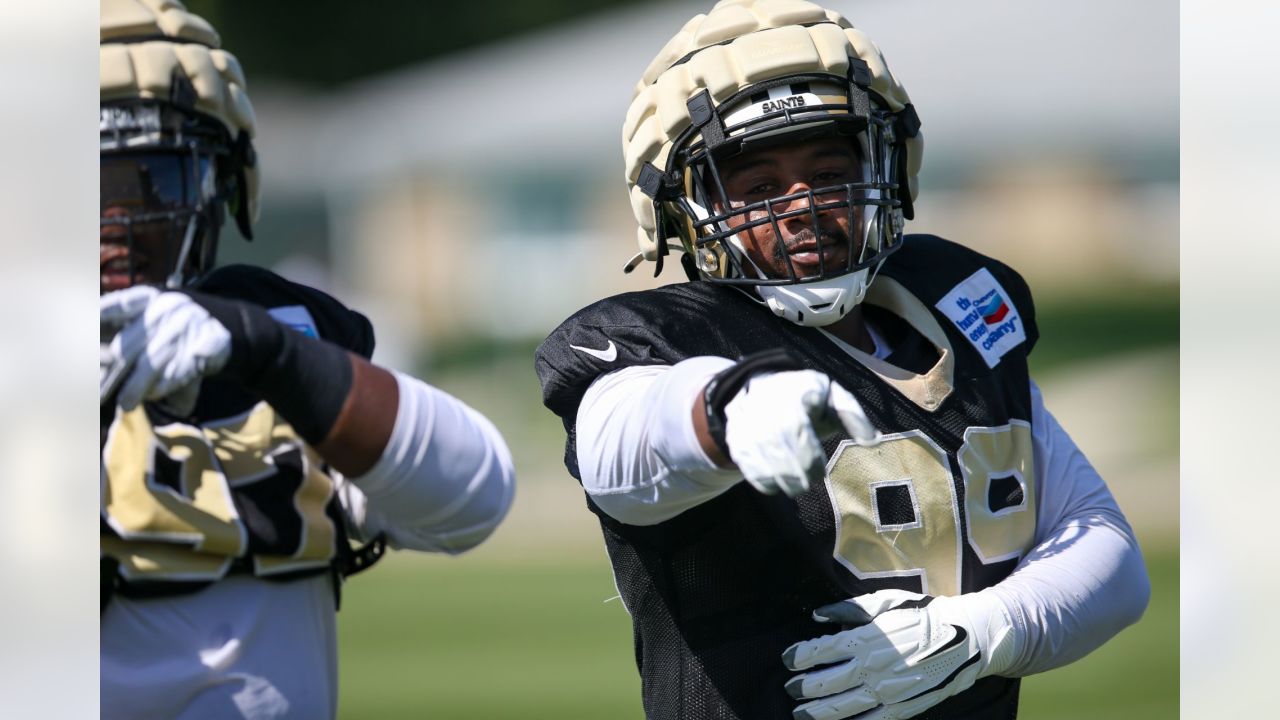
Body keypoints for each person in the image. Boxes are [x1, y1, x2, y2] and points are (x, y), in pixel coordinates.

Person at [535, 1, 1149, 718]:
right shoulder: (665, 341)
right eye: (758, 187)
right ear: (684, 210)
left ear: (886, 167)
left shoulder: (957, 302)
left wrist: (980, 633)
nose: (800, 206)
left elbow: (1110, 557)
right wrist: (722, 410)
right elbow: (620, 454)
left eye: (828, 171)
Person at [98, 2, 515, 718]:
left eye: (148, 182)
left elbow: (473, 497)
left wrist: (266, 353)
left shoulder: (276, 329)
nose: (113, 222)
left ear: (222, 184)